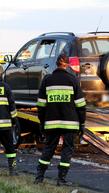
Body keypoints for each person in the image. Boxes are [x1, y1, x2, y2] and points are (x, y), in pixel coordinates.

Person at [35, 54, 86, 186]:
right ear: (67, 65)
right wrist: (82, 123)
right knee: (67, 150)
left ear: (56, 64)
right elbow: (80, 105)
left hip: (51, 123)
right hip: (70, 123)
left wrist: (42, 122)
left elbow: (41, 105)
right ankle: (61, 179)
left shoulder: (47, 80)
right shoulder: (72, 80)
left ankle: (39, 177)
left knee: (49, 148)